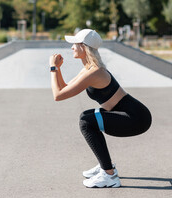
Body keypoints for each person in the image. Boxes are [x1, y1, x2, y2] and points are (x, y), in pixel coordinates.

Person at [49, 29, 152, 188]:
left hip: (136, 118)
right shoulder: (89, 68)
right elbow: (64, 87)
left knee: (86, 122)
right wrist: (59, 69)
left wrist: (53, 68)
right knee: (86, 116)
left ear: (84, 47)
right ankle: (106, 166)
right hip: (128, 114)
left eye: (75, 44)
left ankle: (109, 175)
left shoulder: (94, 72)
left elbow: (58, 95)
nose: (72, 48)